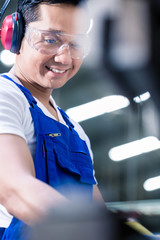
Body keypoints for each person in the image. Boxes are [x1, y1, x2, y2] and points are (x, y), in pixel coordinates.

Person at [0, 0, 105, 239]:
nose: (65, 59)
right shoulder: (4, 96)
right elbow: (14, 190)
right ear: (14, 36)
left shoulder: (75, 130)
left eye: (77, 43)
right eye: (50, 40)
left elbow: (97, 209)